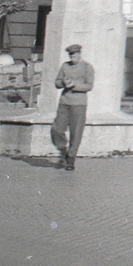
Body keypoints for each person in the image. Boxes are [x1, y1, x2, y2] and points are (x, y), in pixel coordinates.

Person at [50, 43, 93, 171]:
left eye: (75, 54)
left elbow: (89, 86)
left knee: (76, 133)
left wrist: (74, 85)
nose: (72, 56)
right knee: (57, 129)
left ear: (79, 54)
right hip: (64, 102)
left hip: (79, 103)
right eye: (71, 55)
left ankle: (71, 158)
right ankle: (63, 150)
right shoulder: (65, 66)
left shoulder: (87, 67)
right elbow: (57, 82)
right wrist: (63, 83)